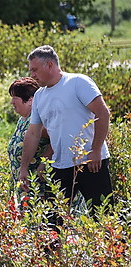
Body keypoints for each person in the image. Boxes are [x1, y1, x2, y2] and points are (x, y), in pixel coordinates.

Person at [18, 45, 114, 223]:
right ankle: (55, 251)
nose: (32, 75)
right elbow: (33, 134)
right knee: (54, 222)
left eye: (35, 69)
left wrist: (95, 151)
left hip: (90, 162)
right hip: (61, 166)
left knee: (102, 219)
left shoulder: (78, 82)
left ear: (49, 65)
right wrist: (24, 168)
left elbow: (103, 113)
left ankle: (110, 251)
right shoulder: (39, 96)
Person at [7, 77, 51, 210]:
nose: (12, 102)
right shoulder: (22, 119)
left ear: (31, 100)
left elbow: (56, 141)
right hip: (22, 183)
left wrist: (44, 163)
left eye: (16, 97)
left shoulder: (39, 120)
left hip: (36, 185)